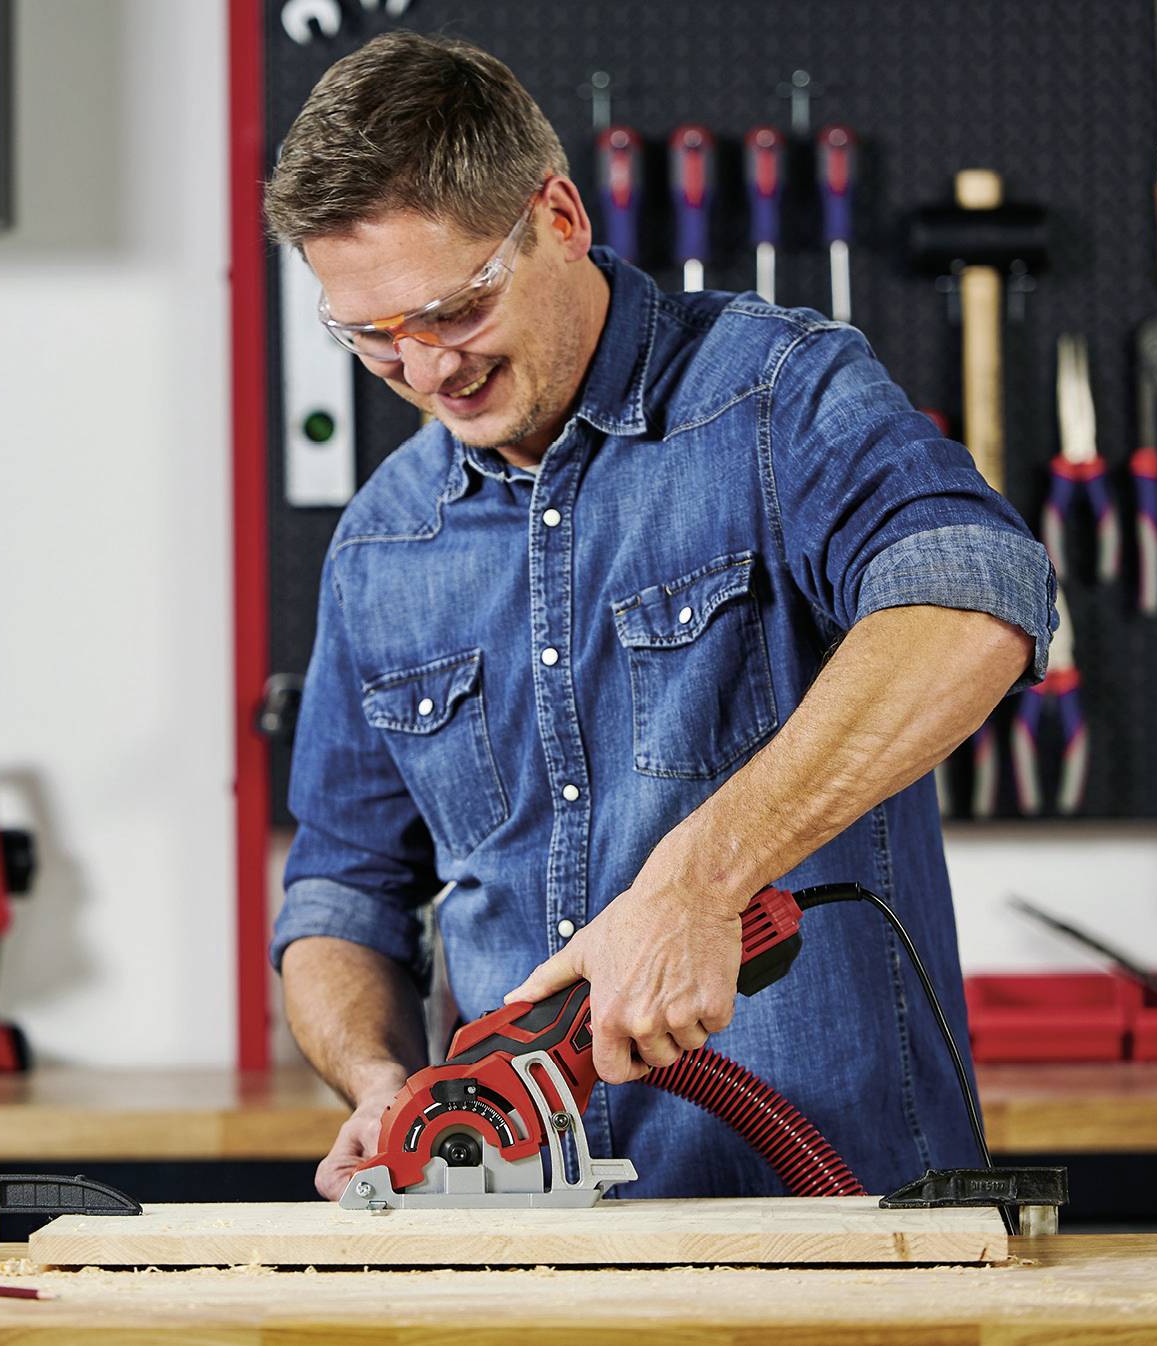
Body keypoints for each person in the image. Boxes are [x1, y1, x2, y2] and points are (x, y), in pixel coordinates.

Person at [263, 30, 1054, 1202]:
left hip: (840, 1226)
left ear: (562, 218)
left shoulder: (777, 396)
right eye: (371, 334)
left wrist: (699, 876)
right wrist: (382, 1083)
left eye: (455, 306)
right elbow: (342, 893)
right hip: (523, 1243)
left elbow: (975, 595)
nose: (425, 369)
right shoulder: (381, 544)